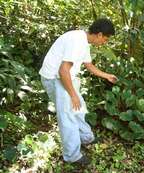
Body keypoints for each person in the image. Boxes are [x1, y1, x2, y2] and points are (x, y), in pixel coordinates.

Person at [39, 18, 117, 165]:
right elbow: (63, 71)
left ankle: (86, 138)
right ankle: (72, 156)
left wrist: (107, 76)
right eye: (105, 39)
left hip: (67, 77)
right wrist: (73, 95)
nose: (104, 42)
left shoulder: (84, 41)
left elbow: (89, 65)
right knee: (68, 116)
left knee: (79, 109)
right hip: (55, 79)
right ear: (99, 34)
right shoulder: (77, 41)